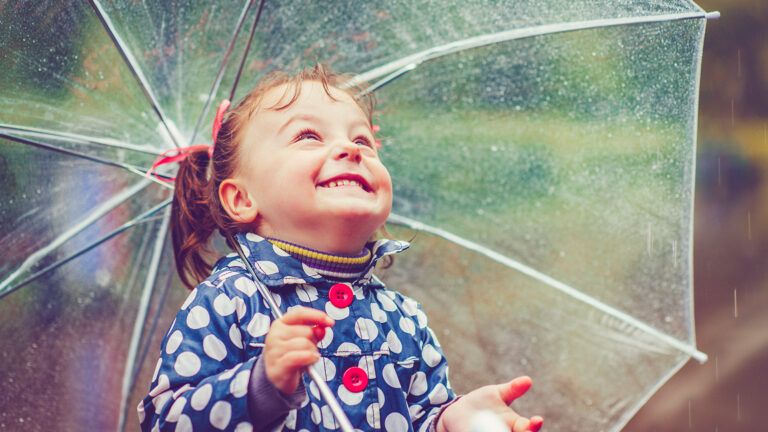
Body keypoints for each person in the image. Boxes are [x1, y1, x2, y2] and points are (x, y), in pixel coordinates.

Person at [138, 64, 544, 432]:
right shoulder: (229, 302)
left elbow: (419, 414)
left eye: (363, 140)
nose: (351, 149)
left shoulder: (402, 318)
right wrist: (260, 385)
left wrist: (450, 421)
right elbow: (165, 421)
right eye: (308, 136)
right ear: (242, 199)